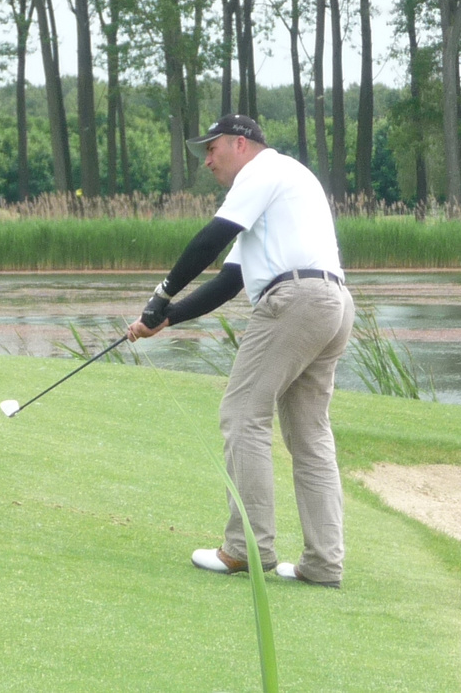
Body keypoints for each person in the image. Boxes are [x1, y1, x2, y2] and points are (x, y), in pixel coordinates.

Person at [128, 114, 354, 588]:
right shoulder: (281, 182)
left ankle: (248, 549)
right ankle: (323, 564)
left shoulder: (261, 172)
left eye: (212, 149)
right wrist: (167, 319)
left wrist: (160, 295)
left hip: (296, 301)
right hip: (332, 303)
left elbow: (210, 238)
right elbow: (230, 279)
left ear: (241, 144)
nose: (207, 160)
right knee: (309, 436)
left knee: (242, 412)